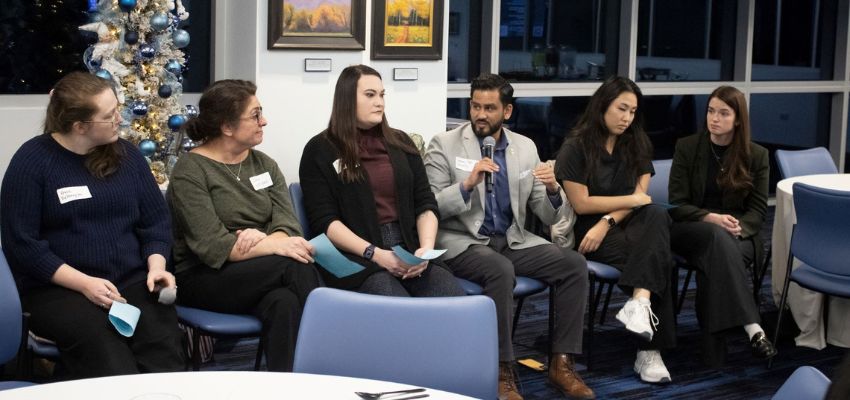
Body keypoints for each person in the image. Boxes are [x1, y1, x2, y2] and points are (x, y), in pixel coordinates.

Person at [0, 72, 184, 378]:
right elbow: (24, 246)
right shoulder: (32, 162)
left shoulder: (129, 157)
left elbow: (155, 223)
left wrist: (157, 266)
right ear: (80, 126)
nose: (120, 119)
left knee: (163, 348)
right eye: (109, 115)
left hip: (130, 281)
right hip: (58, 289)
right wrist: (85, 284)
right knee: (107, 353)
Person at [425, 73, 593, 400]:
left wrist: (553, 190)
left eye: (489, 108)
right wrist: (467, 184)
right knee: (499, 270)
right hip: (462, 241)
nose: (480, 114)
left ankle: (561, 363)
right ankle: (502, 369)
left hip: (513, 239)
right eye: (475, 106)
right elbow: (429, 206)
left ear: (507, 112)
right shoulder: (443, 144)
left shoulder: (525, 148)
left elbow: (545, 214)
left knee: (574, 265)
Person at [168, 79, 320, 372]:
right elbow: (213, 246)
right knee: (296, 265)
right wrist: (274, 244)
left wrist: (264, 239)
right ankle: (335, 354)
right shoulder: (191, 171)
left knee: (284, 302)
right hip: (205, 277)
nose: (264, 121)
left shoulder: (264, 164)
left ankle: (288, 388)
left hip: (262, 273)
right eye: (255, 115)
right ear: (227, 127)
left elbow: (289, 226)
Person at [299, 64, 463, 298]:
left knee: (451, 298)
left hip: (408, 247)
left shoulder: (401, 142)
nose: (380, 102)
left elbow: (425, 203)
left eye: (382, 94)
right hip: (353, 254)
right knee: (397, 307)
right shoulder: (320, 149)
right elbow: (324, 222)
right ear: (346, 100)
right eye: (370, 95)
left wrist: (425, 250)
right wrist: (375, 254)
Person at [556, 76, 675, 384]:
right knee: (658, 257)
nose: (627, 118)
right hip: (588, 234)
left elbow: (644, 199)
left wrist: (608, 219)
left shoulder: (637, 143)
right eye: (622, 108)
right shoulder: (576, 147)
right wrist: (624, 206)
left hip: (621, 224)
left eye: (633, 112)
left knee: (657, 217)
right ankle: (649, 351)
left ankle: (640, 303)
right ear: (602, 105)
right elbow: (581, 203)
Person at [667, 85, 776, 365]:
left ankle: (713, 349)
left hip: (738, 235)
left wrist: (739, 227)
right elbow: (677, 205)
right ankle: (753, 327)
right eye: (711, 111)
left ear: (738, 119)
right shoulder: (688, 147)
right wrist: (711, 218)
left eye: (723, 113)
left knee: (713, 260)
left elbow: (757, 210)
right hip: (690, 228)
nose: (714, 118)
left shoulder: (757, 155)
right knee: (716, 240)